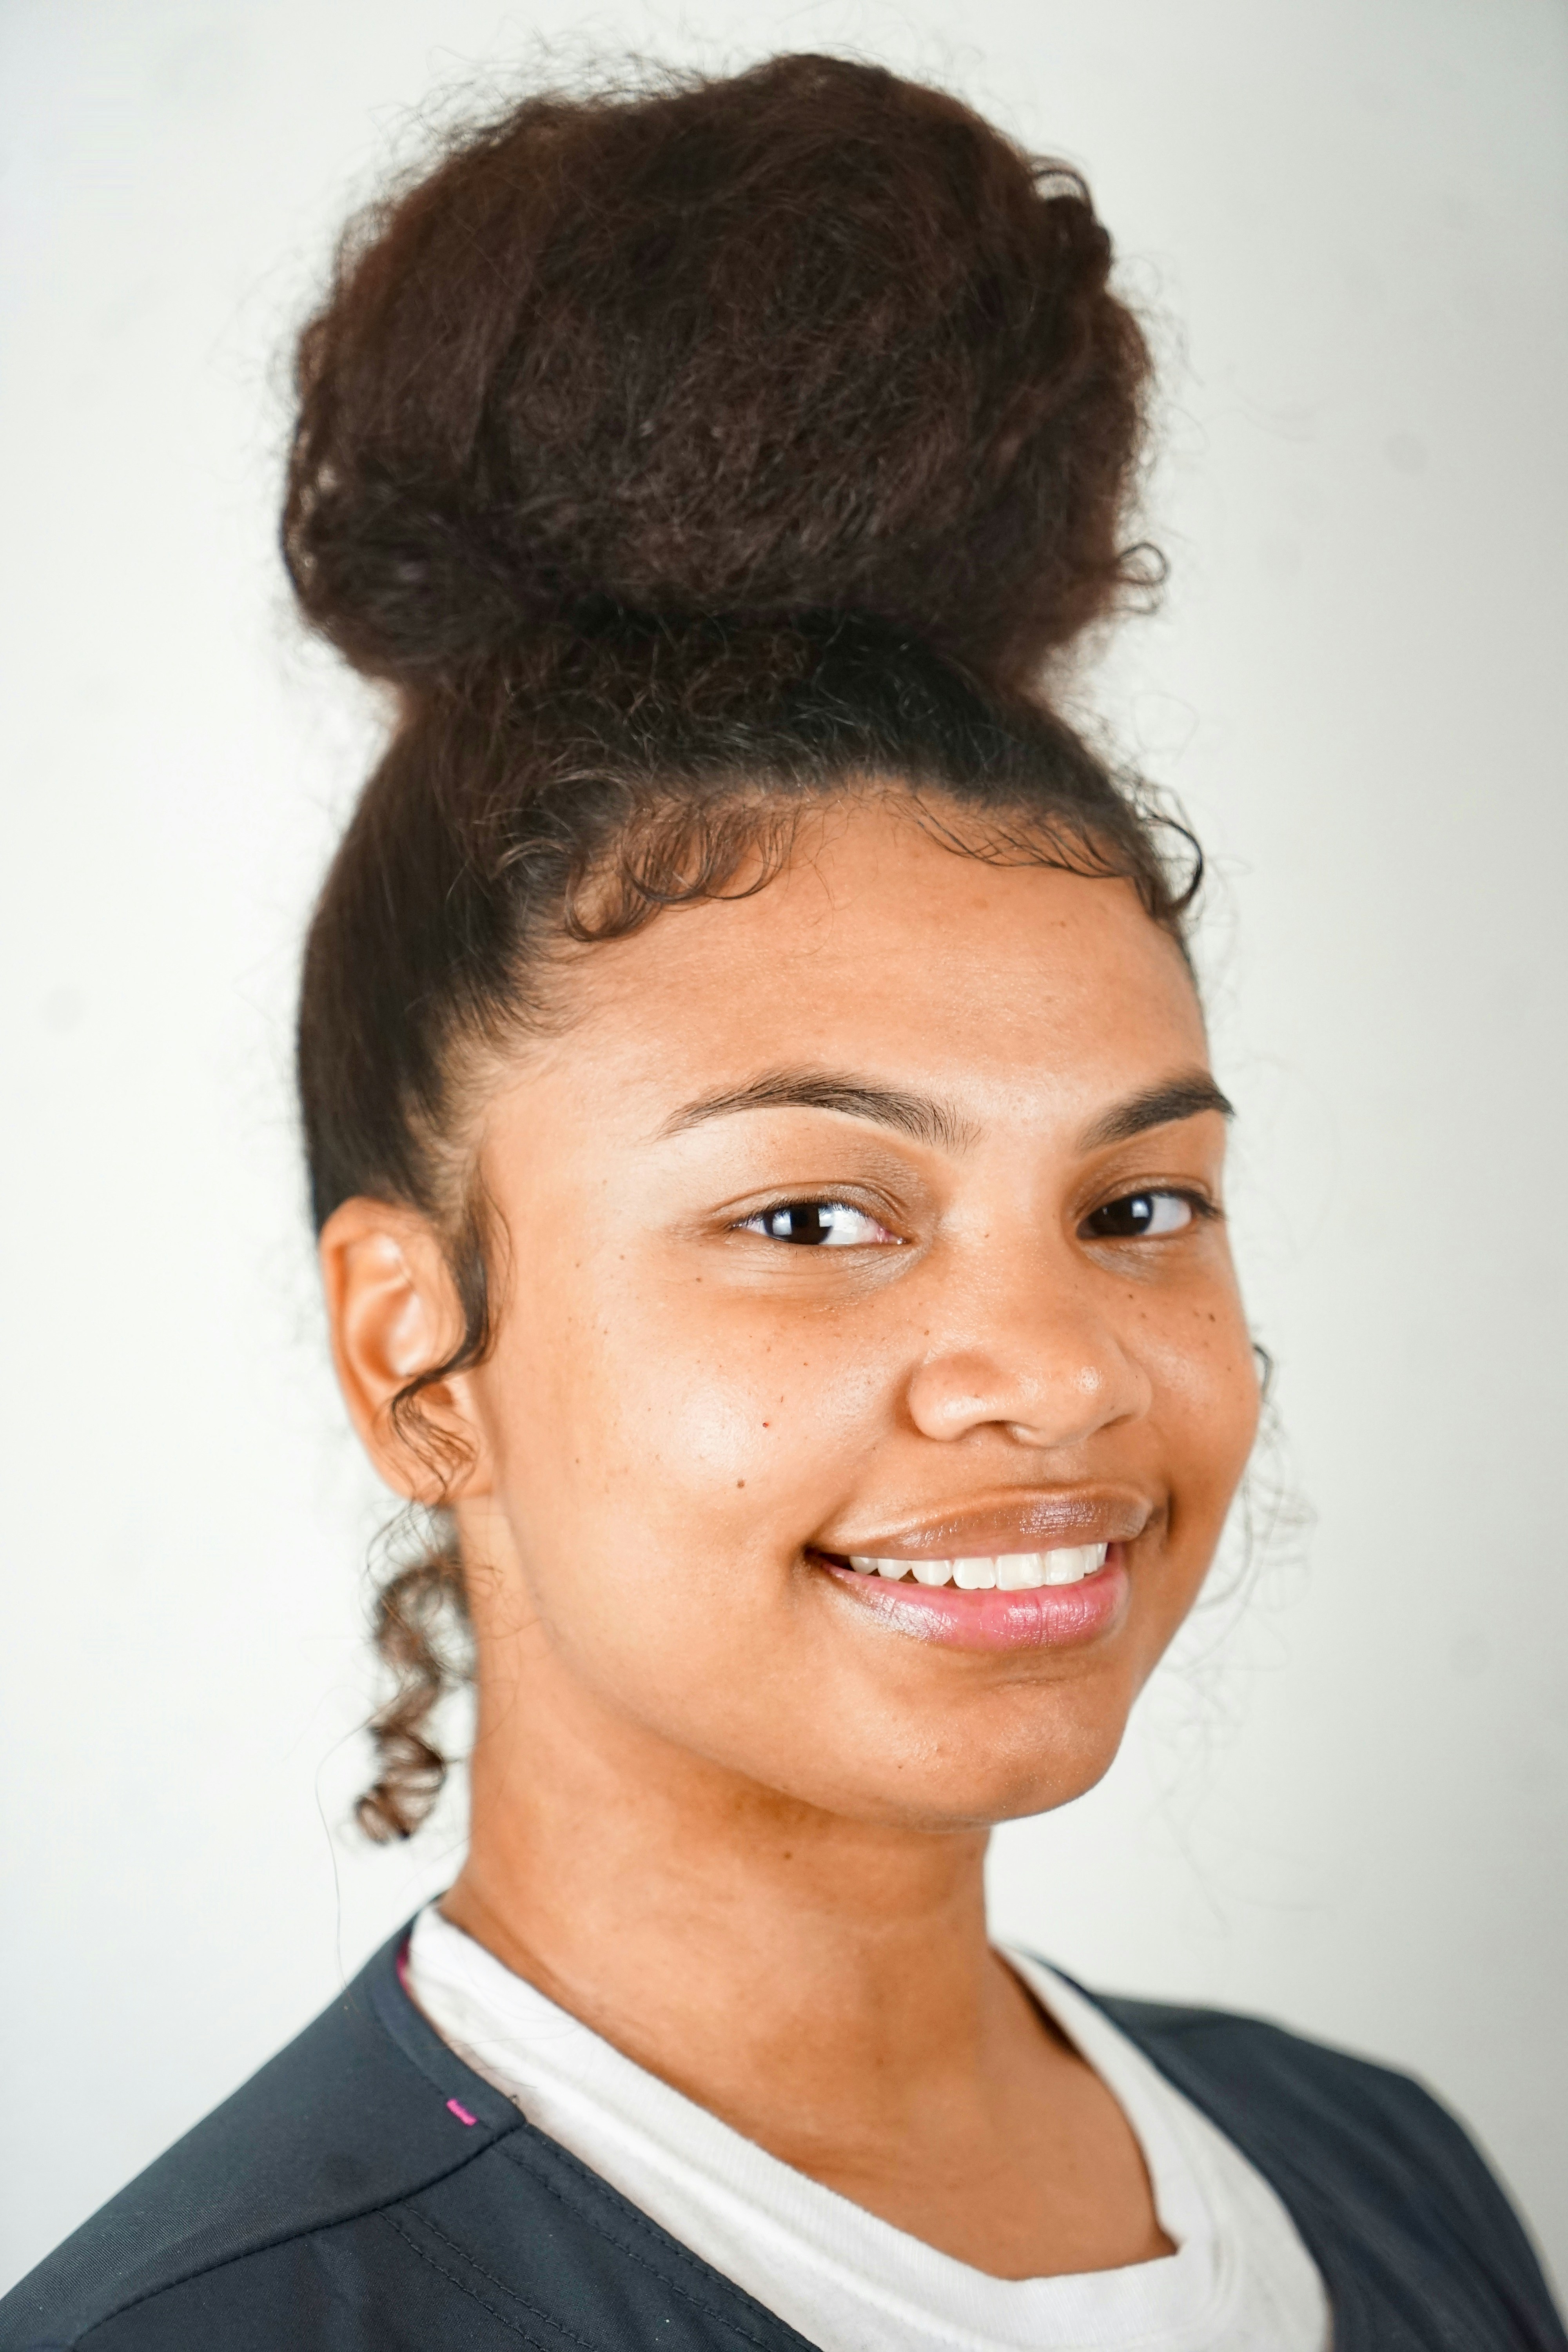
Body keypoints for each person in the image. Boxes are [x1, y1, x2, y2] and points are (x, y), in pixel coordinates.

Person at [2, 51, 1560, 2352]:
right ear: (412, 1349)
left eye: (1141, 1207)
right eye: (816, 1217)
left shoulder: (1382, 2176)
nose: (1057, 1368)